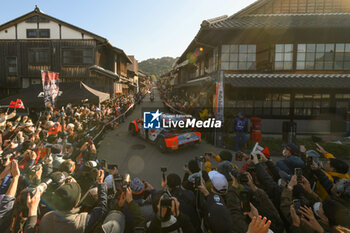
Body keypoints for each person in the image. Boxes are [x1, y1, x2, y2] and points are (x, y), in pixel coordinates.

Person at [24, 170, 108, 233]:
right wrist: (100, 184)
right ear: (76, 203)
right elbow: (101, 209)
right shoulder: (80, 223)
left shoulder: (47, 218)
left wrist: (33, 209)